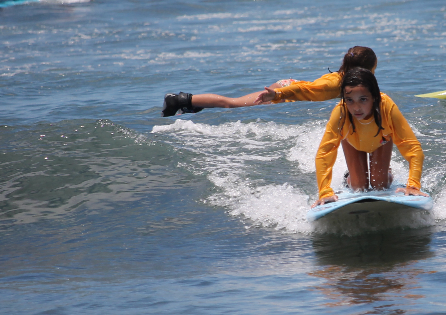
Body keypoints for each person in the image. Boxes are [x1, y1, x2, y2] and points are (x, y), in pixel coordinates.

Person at [313, 67, 427, 207]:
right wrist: (324, 192)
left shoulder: (387, 107)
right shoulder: (341, 113)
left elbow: (412, 147)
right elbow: (325, 152)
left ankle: (387, 172)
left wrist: (413, 185)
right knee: (359, 186)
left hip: (381, 139)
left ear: (374, 97)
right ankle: (349, 177)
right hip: (352, 140)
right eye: (350, 100)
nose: (356, 108)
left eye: (363, 99)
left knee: (380, 184)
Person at [161, 46, 377, 116]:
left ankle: (191, 105)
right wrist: (277, 95)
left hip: (287, 88)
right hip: (285, 90)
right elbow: (305, 88)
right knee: (232, 103)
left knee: (233, 103)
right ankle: (180, 100)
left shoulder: (344, 78)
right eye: (374, 70)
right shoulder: (335, 84)